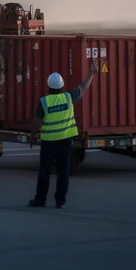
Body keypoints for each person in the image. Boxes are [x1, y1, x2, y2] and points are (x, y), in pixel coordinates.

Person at [30, 57, 100, 209]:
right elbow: (83, 87)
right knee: (63, 173)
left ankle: (40, 200)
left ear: (48, 87)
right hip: (65, 142)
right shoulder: (68, 97)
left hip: (48, 142)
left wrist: (33, 135)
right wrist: (91, 73)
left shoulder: (43, 102)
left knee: (44, 172)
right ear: (62, 86)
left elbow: (37, 121)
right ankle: (60, 200)